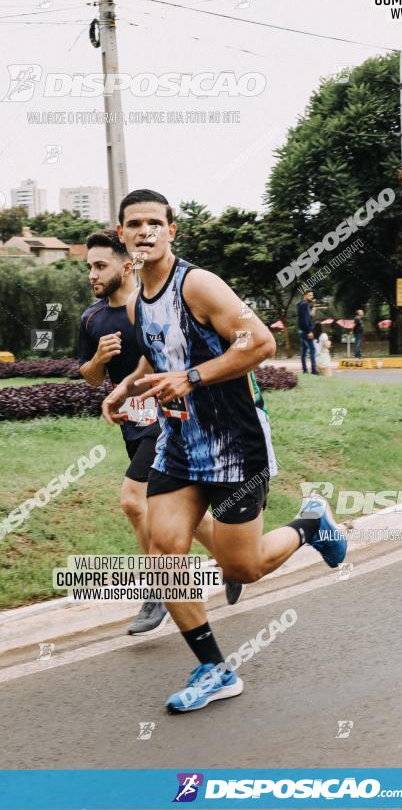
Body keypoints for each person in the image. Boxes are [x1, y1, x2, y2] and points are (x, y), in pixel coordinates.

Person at [102, 189, 347, 713]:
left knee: (242, 569)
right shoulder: (136, 299)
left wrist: (191, 378)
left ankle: (309, 525)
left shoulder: (199, 284)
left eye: (155, 223)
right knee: (164, 549)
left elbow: (259, 343)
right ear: (122, 236)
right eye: (134, 224)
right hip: (180, 444)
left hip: (235, 442)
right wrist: (129, 386)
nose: (145, 231)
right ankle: (214, 668)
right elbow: (158, 351)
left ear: (172, 231)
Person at [79, 230, 243, 636]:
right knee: (168, 512)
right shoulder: (92, 319)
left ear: (127, 265)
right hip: (133, 426)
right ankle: (229, 558)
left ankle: (157, 590)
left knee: (133, 501)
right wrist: (99, 360)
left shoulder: (153, 307)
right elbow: (87, 376)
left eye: (101, 266)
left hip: (170, 418)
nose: (93, 275)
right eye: (89, 267)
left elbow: (171, 358)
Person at [297, 290, 318, 375]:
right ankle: (313, 370)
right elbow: (305, 320)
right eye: (310, 295)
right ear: (305, 296)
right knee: (312, 350)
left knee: (304, 352)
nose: (311, 297)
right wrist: (309, 331)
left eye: (312, 295)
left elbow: (307, 317)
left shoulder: (301, 304)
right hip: (306, 331)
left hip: (302, 330)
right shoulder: (304, 304)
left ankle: (305, 370)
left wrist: (312, 311)